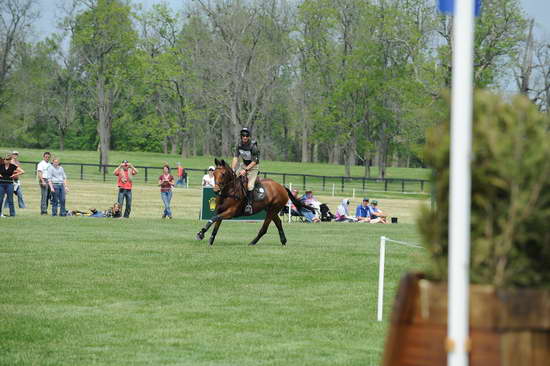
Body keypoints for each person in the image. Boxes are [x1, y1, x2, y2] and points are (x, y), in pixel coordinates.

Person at [231, 127, 260, 215]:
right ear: (241, 136)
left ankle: (249, 205)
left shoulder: (253, 146)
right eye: (243, 135)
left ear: (249, 136)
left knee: (250, 185)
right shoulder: (239, 145)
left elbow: (255, 161)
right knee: (232, 178)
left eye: (247, 135)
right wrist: (233, 168)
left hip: (253, 167)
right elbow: (236, 157)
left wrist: (245, 170)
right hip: (244, 165)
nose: (245, 137)